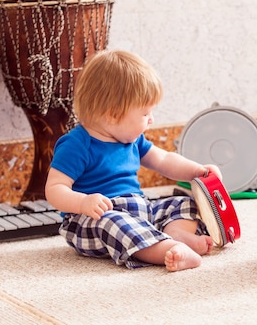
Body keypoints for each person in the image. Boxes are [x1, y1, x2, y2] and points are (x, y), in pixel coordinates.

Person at [45, 50, 221, 272]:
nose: (151, 119)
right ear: (113, 114)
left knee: (185, 203)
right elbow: (54, 188)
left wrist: (197, 171)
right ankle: (168, 249)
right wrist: (83, 203)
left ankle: (177, 234)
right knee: (115, 223)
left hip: (140, 210)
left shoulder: (133, 140)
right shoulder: (76, 144)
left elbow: (164, 159)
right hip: (92, 219)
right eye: (145, 113)